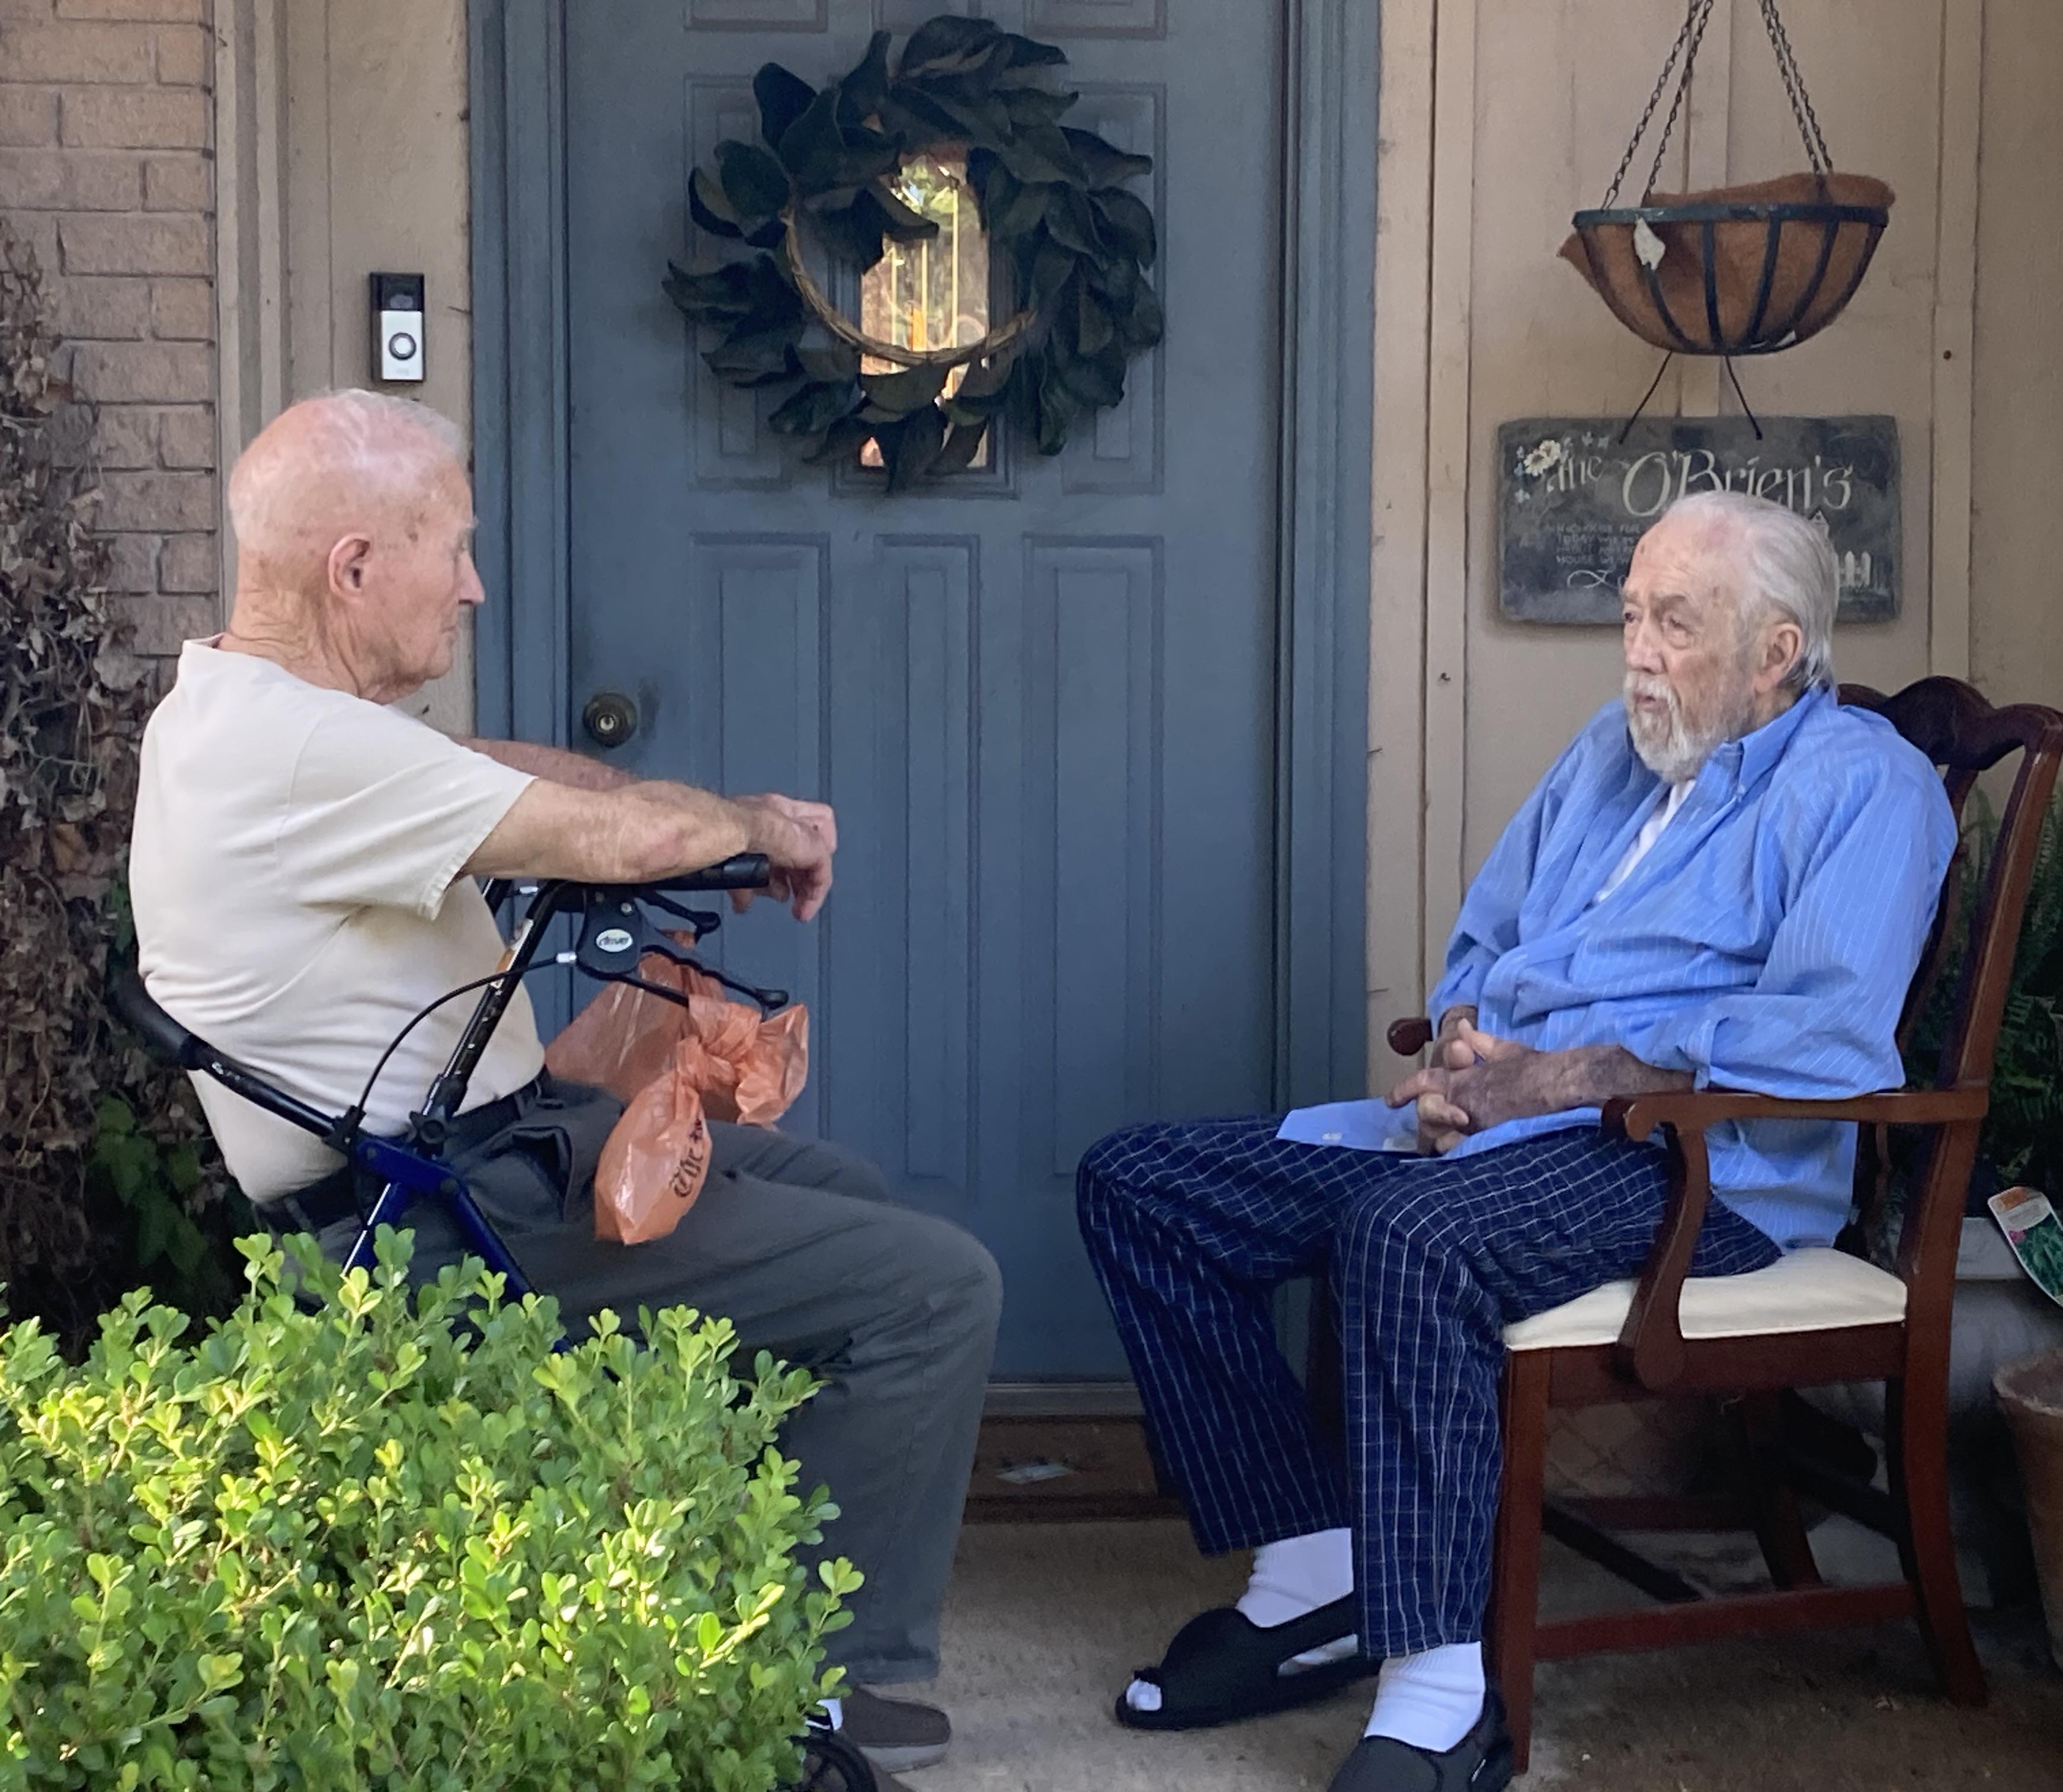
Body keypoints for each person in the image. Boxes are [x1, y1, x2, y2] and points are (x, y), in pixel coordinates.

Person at [129, 390, 998, 1790]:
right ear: (355, 567)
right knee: (933, 1287)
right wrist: (756, 826)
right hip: (441, 1221)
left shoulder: (251, 707)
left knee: (849, 1201)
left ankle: (721, 1601)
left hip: (488, 1152)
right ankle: (792, 1697)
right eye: (454, 551)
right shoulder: (294, 749)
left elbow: (489, 770)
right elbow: (629, 832)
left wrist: (659, 805)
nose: (474, 585)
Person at [1077, 489, 1957, 1791]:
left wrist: (1570, 1075)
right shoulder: (1613, 751)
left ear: (1778, 652)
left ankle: (1443, 1690)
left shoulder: (1866, 789)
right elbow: (1484, 945)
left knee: (1404, 1242)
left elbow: (1828, 1041)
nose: (1639, 653)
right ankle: (1317, 1566)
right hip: (1495, 1134)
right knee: (1142, 1187)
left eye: (1677, 623)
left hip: (1691, 1167)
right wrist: (1462, 1057)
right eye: (1632, 617)